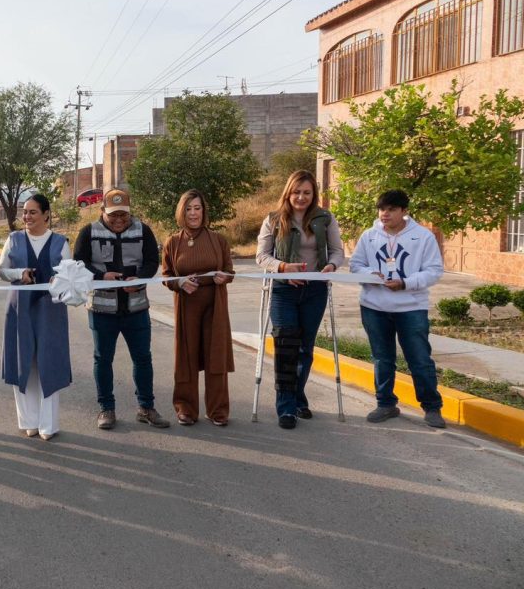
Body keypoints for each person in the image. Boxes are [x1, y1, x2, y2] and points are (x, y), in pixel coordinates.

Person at [255, 170, 345, 430]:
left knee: (305, 348)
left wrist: (331, 265)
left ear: (313, 194)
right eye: (296, 192)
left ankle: (297, 397)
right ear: (288, 192)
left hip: (314, 291)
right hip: (283, 291)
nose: (301, 197)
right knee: (286, 347)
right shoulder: (273, 220)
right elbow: (262, 256)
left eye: (307, 192)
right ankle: (286, 407)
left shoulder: (325, 219)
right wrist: (283, 268)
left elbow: (337, 251)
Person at [74, 188, 169, 430]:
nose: (118, 220)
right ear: (102, 211)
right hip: (102, 310)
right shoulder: (88, 232)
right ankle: (106, 408)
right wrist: (101, 276)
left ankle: (146, 407)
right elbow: (79, 264)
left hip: (136, 309)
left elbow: (152, 261)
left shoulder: (143, 230)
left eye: (123, 215)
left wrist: (139, 278)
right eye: (113, 215)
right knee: (103, 360)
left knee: (143, 358)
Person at [349, 189, 446, 428]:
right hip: (374, 307)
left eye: (391, 209)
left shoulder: (423, 236)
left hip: (411, 308)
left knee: (419, 359)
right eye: (382, 209)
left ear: (404, 211)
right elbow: (356, 265)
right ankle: (385, 404)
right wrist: (371, 275)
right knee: (382, 358)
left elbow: (434, 271)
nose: (385, 214)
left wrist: (406, 283)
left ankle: (432, 407)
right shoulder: (369, 236)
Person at [0, 194, 71, 440]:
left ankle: (48, 425)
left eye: (32, 212)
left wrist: (58, 280)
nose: (26, 217)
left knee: (49, 363)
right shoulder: (13, 239)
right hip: (20, 309)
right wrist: (19, 273)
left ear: (46, 214)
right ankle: (28, 421)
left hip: (51, 311)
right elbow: (1, 271)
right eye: (25, 212)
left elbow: (70, 273)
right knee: (23, 363)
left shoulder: (60, 242)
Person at [161, 190, 235, 426]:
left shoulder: (218, 240)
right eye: (188, 209)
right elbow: (166, 276)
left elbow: (230, 272)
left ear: (204, 211)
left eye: (197, 208)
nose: (193, 213)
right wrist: (179, 283)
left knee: (216, 356)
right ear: (181, 212)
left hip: (215, 305)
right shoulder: (173, 242)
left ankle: (217, 410)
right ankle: (186, 408)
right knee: (186, 357)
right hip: (186, 306)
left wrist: (224, 277)